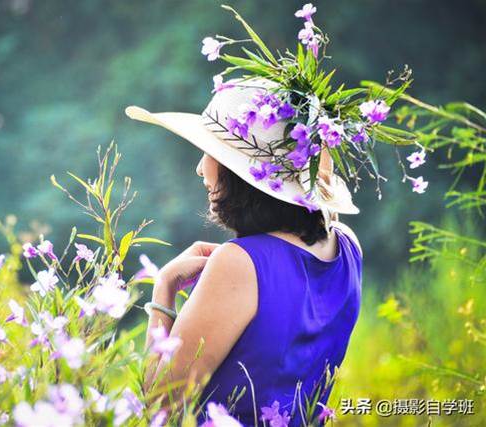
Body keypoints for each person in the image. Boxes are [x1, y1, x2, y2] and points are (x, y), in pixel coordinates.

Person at [126, 78, 363, 426]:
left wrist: (164, 289)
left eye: (210, 153)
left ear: (241, 172)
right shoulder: (347, 246)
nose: (199, 168)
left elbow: (159, 404)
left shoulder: (239, 263)